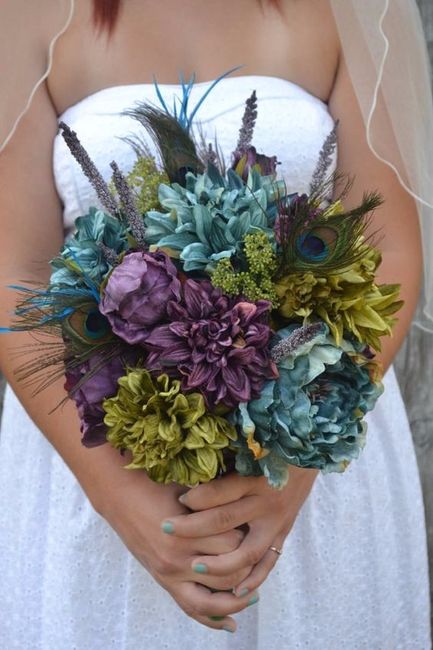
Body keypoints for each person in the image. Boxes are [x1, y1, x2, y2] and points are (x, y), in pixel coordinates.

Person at [0, 0, 431, 647]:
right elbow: (19, 277)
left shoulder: (353, 9)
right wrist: (124, 503)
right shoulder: (27, 12)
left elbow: (386, 248)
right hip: (100, 450)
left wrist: (295, 469)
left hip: (312, 456)